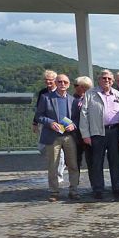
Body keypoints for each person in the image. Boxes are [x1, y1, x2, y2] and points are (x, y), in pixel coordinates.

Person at [79, 69, 119, 200]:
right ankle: (98, 189)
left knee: (115, 162)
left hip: (115, 132)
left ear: (113, 81)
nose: (106, 80)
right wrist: (85, 134)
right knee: (97, 162)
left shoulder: (117, 95)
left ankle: (117, 188)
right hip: (97, 133)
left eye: (109, 79)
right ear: (99, 79)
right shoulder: (90, 94)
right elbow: (83, 115)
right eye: (104, 78)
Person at [36, 74, 80, 202]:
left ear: (68, 84)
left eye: (65, 82)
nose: (62, 84)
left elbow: (77, 118)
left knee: (73, 164)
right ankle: (54, 191)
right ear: (55, 83)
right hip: (52, 135)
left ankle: (74, 190)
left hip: (69, 136)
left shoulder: (73, 100)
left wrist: (74, 125)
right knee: (53, 165)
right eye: (59, 81)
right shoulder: (46, 98)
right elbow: (39, 116)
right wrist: (50, 122)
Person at [34, 70, 64, 182]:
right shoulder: (42, 93)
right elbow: (39, 110)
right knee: (42, 148)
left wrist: (63, 127)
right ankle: (54, 168)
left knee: (59, 151)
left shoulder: (61, 92)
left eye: (50, 80)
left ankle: (58, 175)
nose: (48, 82)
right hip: (45, 125)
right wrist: (35, 123)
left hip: (60, 126)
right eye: (46, 80)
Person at [72, 76, 93, 170]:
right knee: (76, 160)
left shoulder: (92, 99)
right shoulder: (71, 100)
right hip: (75, 134)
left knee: (91, 159)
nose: (76, 87)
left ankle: (94, 182)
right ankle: (75, 182)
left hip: (90, 133)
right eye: (75, 85)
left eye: (78, 85)